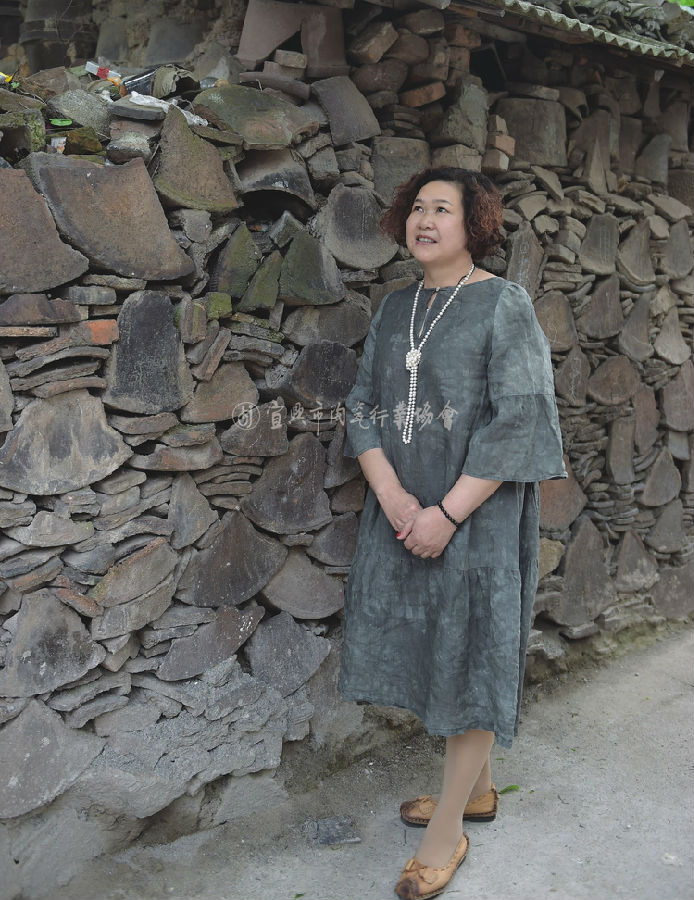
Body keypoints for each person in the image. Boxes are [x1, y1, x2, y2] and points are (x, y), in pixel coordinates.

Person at [338, 167, 566, 900]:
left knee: (473, 654)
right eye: (417, 208)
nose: (425, 220)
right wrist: (394, 496)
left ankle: (446, 834)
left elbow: (520, 418)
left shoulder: (503, 303)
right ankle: (478, 791)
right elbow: (362, 403)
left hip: (478, 517)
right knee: (448, 649)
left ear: (475, 224)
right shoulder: (396, 305)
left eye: (443, 208)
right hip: (405, 510)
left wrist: (447, 513)